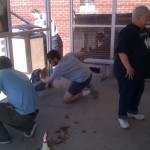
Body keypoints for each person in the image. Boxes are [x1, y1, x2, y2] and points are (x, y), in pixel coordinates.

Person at [114, 6, 150, 129]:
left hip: (139, 71)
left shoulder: (144, 29)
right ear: (139, 17)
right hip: (127, 71)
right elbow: (121, 51)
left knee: (138, 91)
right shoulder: (128, 31)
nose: (148, 19)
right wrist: (128, 67)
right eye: (147, 17)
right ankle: (122, 116)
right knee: (127, 93)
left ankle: (132, 111)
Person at [0, 56, 39, 144]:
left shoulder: (1, 75)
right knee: (4, 106)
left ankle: (3, 138)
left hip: (24, 116)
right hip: (35, 110)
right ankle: (29, 126)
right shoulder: (18, 73)